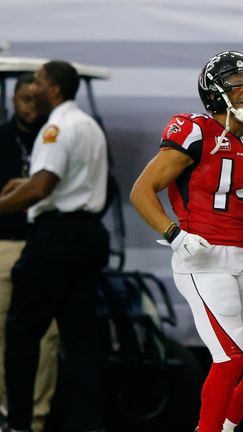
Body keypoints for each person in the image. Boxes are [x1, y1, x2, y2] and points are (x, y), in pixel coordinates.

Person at [129, 51, 243, 432]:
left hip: (242, 258)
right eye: (238, 83)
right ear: (214, 91)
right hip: (202, 259)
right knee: (231, 354)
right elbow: (142, 191)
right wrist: (174, 234)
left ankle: (223, 424)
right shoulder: (194, 131)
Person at [0, 61, 110, 432]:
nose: (32, 89)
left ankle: (19, 423)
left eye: (38, 82)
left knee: (22, 333)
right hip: (88, 237)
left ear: (55, 90)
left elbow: (42, 186)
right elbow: (75, 180)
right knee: (80, 338)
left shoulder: (55, 128)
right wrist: (26, 183)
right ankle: (89, 424)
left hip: (55, 239)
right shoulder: (88, 125)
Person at [0, 73, 59, 432]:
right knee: (1, 330)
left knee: (46, 334)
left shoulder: (57, 136)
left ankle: (35, 419)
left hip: (44, 244)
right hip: (5, 244)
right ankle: (5, 413)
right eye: (25, 100)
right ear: (13, 99)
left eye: (38, 100)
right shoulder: (2, 139)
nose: (32, 107)